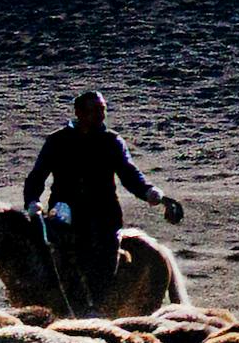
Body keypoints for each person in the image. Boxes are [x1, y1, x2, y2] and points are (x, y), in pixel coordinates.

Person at [18, 93, 170, 308]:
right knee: (44, 256)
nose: (100, 115)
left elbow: (128, 172)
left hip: (103, 215)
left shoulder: (111, 141)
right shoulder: (57, 141)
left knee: (105, 261)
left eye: (102, 109)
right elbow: (37, 175)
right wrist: (32, 201)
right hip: (65, 214)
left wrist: (148, 191)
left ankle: (96, 307)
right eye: (95, 110)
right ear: (79, 113)